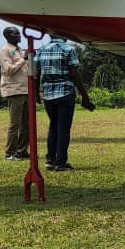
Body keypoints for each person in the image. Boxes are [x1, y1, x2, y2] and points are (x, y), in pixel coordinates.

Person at [35, 34, 94, 171]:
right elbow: (74, 74)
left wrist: (37, 93)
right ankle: (61, 162)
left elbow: (37, 74)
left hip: (48, 94)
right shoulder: (68, 49)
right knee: (63, 129)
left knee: (53, 126)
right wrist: (84, 95)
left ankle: (50, 159)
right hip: (65, 93)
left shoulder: (42, 49)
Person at [0, 26, 30, 161]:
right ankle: (10, 153)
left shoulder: (20, 51)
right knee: (15, 123)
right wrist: (23, 59)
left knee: (26, 123)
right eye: (15, 33)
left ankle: (22, 151)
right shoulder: (6, 51)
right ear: (8, 36)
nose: (18, 35)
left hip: (25, 89)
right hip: (14, 90)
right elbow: (8, 70)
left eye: (18, 33)